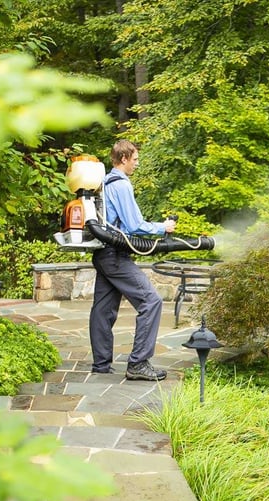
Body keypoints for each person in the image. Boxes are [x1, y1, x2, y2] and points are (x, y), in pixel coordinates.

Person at [89, 140, 176, 380]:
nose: (138, 163)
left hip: (102, 254)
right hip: (115, 255)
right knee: (152, 301)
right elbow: (134, 225)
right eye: (135, 159)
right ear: (124, 158)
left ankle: (101, 365)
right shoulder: (121, 185)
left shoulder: (103, 182)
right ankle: (138, 364)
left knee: (102, 311)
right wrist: (163, 227)